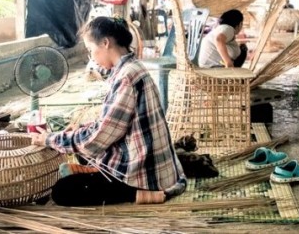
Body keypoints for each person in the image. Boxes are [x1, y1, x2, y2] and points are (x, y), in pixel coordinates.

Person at [30, 17, 186, 206]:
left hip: (145, 175)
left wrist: (49, 139)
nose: (91, 58)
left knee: (62, 191)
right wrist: (79, 128)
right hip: (155, 166)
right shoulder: (132, 67)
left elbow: (98, 138)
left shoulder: (126, 77)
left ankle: (132, 194)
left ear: (105, 43)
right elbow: (111, 123)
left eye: (90, 50)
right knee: (81, 150)